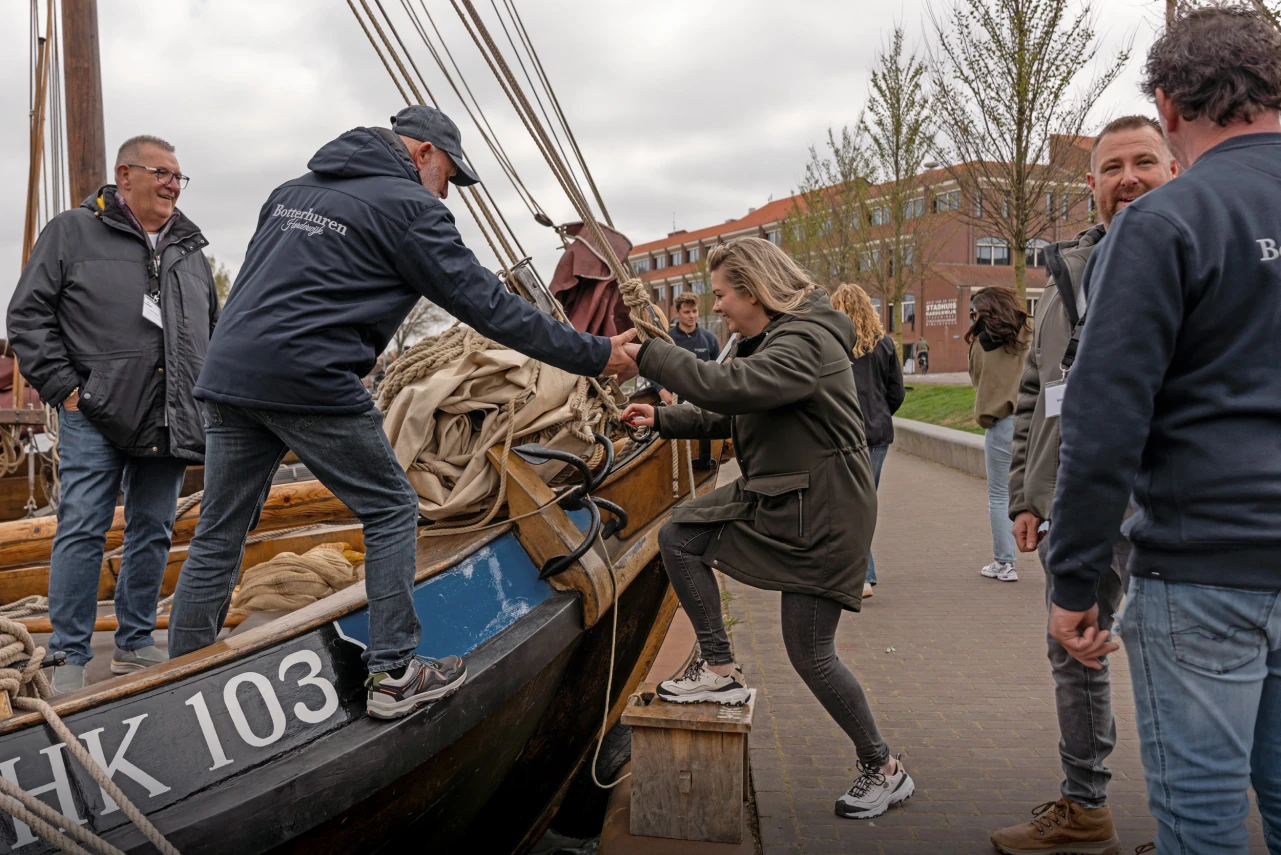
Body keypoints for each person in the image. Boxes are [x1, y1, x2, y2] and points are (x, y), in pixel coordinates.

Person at [167, 105, 638, 720]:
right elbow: (492, 308)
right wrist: (595, 354)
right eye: (449, 175)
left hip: (228, 376)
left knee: (219, 534)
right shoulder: (412, 207)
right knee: (391, 507)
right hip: (309, 377)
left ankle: (182, 681)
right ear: (422, 154)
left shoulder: (290, 193)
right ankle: (392, 675)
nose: (450, 193)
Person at [1046, 8, 1281, 853]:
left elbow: (1104, 419)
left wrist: (1073, 583)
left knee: (1202, 824)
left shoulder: (1164, 224)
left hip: (1205, 566)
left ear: (1168, 108)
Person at [620, 238, 914, 822]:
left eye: (723, 295)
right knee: (681, 535)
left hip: (822, 512)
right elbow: (736, 409)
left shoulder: (803, 339)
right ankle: (721, 669)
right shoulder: (781, 339)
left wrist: (650, 357)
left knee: (812, 654)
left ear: (753, 290)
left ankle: (884, 770)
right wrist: (662, 417)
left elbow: (733, 389)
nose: (718, 307)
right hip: (786, 496)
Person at [991, 116, 1178, 855]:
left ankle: (1184, 827)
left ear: (1172, 169)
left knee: (1174, 653)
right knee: (1072, 649)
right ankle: (1083, 805)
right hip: (1073, 498)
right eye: (1111, 167)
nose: (1126, 177)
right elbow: (1034, 394)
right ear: (1092, 184)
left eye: (1143, 162)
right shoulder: (1063, 274)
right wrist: (1024, 493)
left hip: (1162, 498)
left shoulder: (1190, 255)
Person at [7, 135, 218, 694]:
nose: (174, 183)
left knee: (153, 529)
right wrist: (68, 390)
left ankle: (134, 642)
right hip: (93, 413)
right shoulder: (71, 232)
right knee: (82, 527)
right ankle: (68, 655)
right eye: (162, 172)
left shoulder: (190, 248)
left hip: (170, 413)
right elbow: (28, 316)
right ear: (125, 175)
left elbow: (210, 332)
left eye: (180, 176)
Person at [831, 283, 904, 600]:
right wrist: (881, 412)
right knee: (862, 501)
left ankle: (862, 575)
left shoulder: (833, 345)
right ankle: (857, 573)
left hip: (845, 433)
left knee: (849, 504)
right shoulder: (884, 344)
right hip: (877, 434)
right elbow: (896, 392)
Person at [966, 287, 1031, 583]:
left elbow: (977, 379)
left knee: (999, 495)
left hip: (1002, 424)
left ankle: (1005, 563)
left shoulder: (981, 344)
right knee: (1047, 489)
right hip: (1035, 422)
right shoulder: (1030, 335)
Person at [653, 291, 721, 469]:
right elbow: (651, 370)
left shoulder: (709, 339)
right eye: (687, 312)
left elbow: (718, 370)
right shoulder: (667, 339)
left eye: (695, 311)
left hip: (702, 400)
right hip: (674, 401)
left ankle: (704, 464)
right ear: (677, 313)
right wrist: (662, 390)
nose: (692, 316)